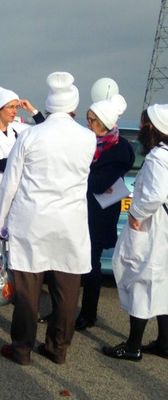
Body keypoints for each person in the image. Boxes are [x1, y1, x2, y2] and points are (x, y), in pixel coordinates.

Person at [0, 72, 96, 365]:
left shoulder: (31, 135)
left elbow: (11, 181)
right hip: (70, 224)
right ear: (73, 107)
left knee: (27, 290)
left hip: (32, 220)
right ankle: (58, 348)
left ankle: (22, 349)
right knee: (66, 291)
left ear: (48, 107)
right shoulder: (88, 138)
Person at [102, 104, 168, 361]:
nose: (141, 130)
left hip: (151, 229)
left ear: (152, 129)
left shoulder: (156, 159)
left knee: (141, 279)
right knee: (162, 284)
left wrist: (136, 214)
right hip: (160, 230)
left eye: (143, 125)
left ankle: (133, 346)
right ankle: (164, 343)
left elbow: (155, 194)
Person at [76, 94, 134, 331]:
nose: (89, 124)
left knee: (91, 264)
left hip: (99, 215)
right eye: (88, 119)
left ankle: (88, 314)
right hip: (79, 211)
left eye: (93, 120)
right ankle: (64, 309)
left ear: (105, 122)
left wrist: (79, 174)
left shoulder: (120, 149)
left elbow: (98, 183)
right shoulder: (86, 141)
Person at [0, 85, 44, 254]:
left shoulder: (18, 129)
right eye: (11, 107)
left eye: (16, 107)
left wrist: (32, 110)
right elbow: (0, 163)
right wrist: (28, 160)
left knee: (15, 243)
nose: (15, 111)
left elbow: (44, 130)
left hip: (19, 193)